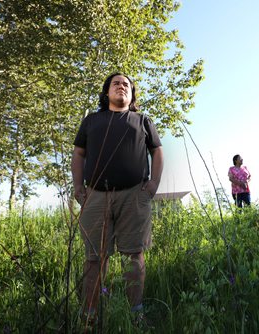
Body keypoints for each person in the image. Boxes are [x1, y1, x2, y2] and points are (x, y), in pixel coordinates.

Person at [71, 72, 164, 325]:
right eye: (116, 83)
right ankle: (89, 316)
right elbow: (79, 154)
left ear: (132, 94)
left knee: (134, 255)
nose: (121, 87)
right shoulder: (91, 121)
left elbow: (156, 151)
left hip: (135, 196)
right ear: (106, 92)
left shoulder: (142, 120)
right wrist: (79, 187)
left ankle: (136, 315)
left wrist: (153, 184)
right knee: (94, 257)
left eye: (126, 85)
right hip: (96, 197)